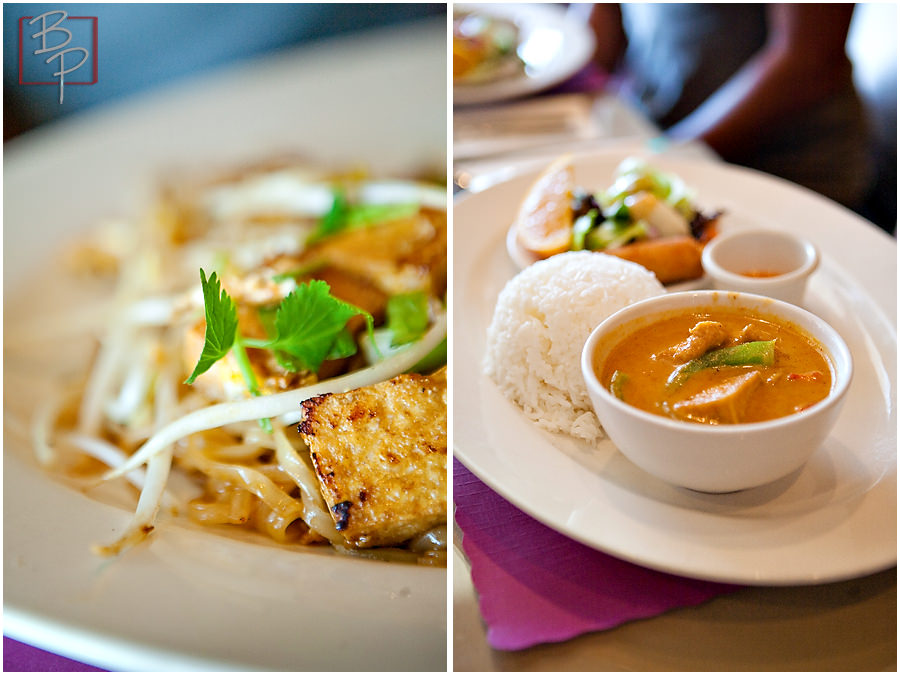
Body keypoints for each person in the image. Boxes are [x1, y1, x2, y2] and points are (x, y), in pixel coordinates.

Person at [584, 3, 875, 215]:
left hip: (784, 172)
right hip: (658, 135)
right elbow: (606, 15)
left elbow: (810, 61)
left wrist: (665, 152)